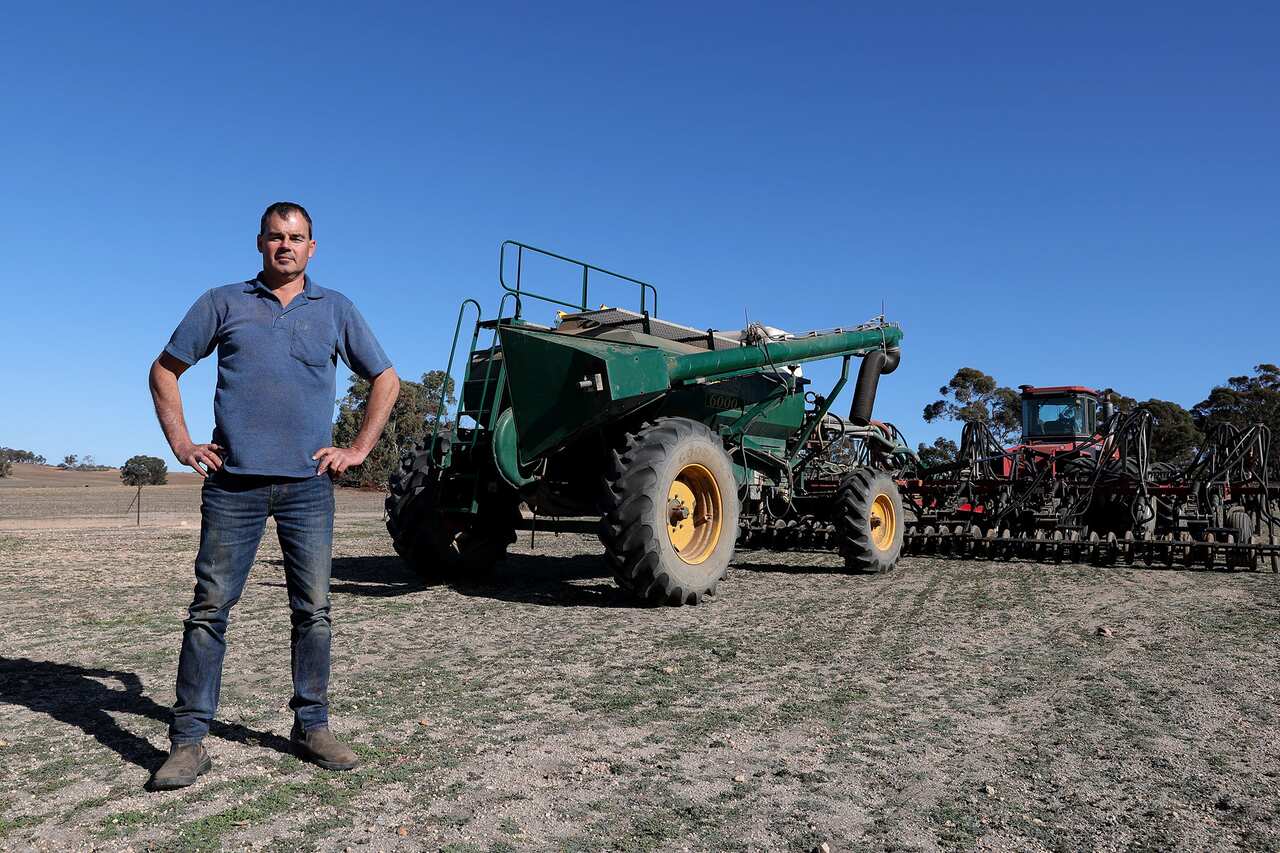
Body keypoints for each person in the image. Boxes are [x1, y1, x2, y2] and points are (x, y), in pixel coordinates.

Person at [146, 202, 399, 789]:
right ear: (259, 243)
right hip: (233, 486)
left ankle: (311, 725)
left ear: (313, 247)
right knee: (210, 610)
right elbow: (164, 370)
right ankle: (188, 742)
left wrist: (357, 448)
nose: (286, 246)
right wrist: (182, 443)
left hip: (307, 489)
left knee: (314, 611)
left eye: (297, 238)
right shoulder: (222, 303)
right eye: (276, 237)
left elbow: (385, 377)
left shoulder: (336, 310)